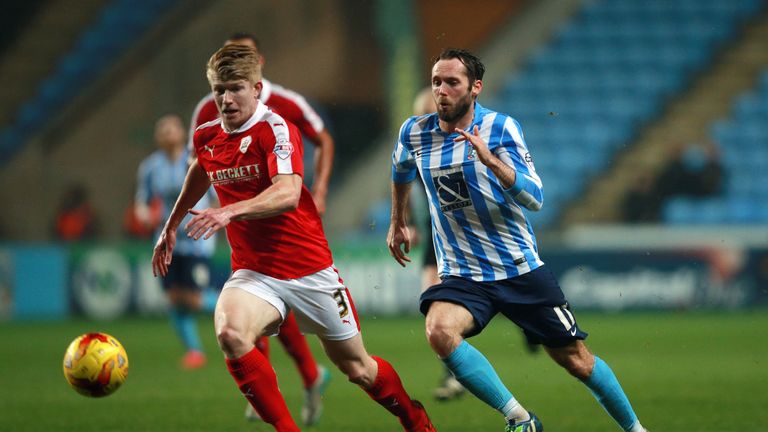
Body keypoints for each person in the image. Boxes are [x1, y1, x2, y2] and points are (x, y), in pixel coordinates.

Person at [153, 44, 435, 432]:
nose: (226, 98)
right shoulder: (207, 135)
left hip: (309, 270)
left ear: (256, 88)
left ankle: (416, 420)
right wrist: (171, 224)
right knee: (231, 333)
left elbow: (286, 193)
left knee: (358, 368)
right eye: (219, 90)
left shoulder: (276, 128)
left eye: (235, 88)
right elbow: (201, 169)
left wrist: (228, 210)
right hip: (255, 273)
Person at [387, 48, 648, 432]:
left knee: (576, 360)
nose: (441, 90)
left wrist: (491, 161)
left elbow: (535, 197)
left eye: (452, 82)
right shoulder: (415, 131)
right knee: (439, 330)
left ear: (475, 88)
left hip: (517, 267)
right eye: (436, 82)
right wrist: (398, 221)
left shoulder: (500, 129)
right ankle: (520, 419)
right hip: (462, 272)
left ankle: (636, 429)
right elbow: (400, 168)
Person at [188, 32, 333, 426]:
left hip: (285, 222)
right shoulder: (208, 108)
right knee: (254, 308)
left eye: (244, 56)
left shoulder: (285, 105)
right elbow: (198, 162)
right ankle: (287, 380)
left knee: (273, 308)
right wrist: (207, 211)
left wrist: (318, 186)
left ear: (259, 63)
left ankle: (303, 377)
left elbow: (322, 138)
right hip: (231, 221)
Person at [136, 114, 216, 370]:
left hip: (196, 240)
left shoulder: (197, 160)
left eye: (171, 129)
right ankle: (195, 351)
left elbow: (216, 196)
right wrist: (145, 215)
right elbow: (142, 202)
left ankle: (242, 303)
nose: (167, 134)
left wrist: (213, 219)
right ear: (157, 138)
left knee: (193, 299)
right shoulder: (150, 167)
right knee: (173, 298)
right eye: (162, 130)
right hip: (166, 241)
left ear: (182, 134)